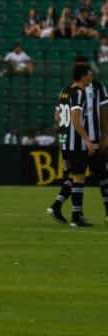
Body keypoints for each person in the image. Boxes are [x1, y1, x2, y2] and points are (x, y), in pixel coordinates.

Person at [49, 60, 103, 228]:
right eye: (89, 74)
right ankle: (75, 216)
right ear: (83, 76)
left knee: (75, 176)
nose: (91, 77)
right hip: (76, 142)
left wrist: (64, 133)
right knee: (79, 177)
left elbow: (57, 116)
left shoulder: (65, 91)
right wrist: (87, 139)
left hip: (66, 141)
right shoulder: (79, 93)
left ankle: (61, 208)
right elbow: (76, 118)